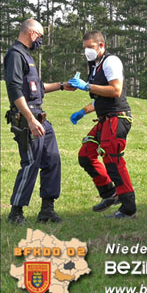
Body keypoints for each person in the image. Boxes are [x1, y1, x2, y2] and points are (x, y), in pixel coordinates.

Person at [4, 19, 71, 224]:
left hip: (40, 116)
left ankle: (47, 210)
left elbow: (38, 87)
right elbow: (15, 90)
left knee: (52, 159)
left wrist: (62, 85)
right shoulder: (15, 55)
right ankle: (16, 212)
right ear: (32, 34)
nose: (41, 41)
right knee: (31, 163)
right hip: (27, 118)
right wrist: (31, 120)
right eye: (41, 36)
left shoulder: (27, 57)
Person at [67, 30, 136, 219]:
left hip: (117, 117)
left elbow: (115, 90)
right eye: (85, 48)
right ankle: (109, 193)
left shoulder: (111, 62)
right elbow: (100, 99)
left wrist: (87, 86)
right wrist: (83, 111)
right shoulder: (95, 66)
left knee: (113, 160)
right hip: (104, 117)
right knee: (86, 155)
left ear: (101, 46)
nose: (87, 51)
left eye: (90, 47)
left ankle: (128, 207)